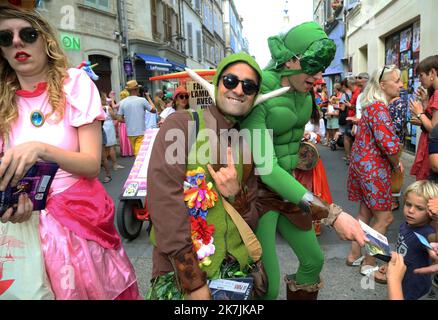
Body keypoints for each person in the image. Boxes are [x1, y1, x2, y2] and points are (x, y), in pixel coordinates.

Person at [0, 5, 139, 299]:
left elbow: (90, 164)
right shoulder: (2, 102)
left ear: (45, 40)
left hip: (77, 226)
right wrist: (8, 208)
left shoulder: (74, 85)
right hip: (23, 232)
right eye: (5, 37)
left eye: (27, 34)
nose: (16, 42)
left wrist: (40, 148)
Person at [240, 21, 367, 300]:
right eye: (312, 65)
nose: (319, 75)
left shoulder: (304, 92)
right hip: (256, 193)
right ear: (290, 60)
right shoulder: (259, 92)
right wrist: (331, 214)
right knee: (267, 285)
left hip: (287, 187)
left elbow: (289, 144)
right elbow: (266, 167)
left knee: (313, 260)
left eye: (322, 66)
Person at [146, 53, 286, 300]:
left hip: (234, 276)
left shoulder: (248, 142)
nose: (239, 90)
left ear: (255, 96)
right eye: (231, 81)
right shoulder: (180, 125)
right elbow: (164, 204)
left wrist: (236, 196)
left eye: (249, 86)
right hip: (182, 277)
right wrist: (194, 283)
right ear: (217, 84)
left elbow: (252, 214)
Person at [346, 65, 403, 283]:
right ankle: (369, 262)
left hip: (362, 167)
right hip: (373, 171)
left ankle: (353, 255)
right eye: (397, 80)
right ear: (382, 85)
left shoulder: (371, 106)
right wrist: (396, 163)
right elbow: (390, 146)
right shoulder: (380, 108)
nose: (400, 85)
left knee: (364, 213)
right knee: (385, 217)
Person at [394, 180, 438, 300]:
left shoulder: (428, 233)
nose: (411, 211)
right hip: (401, 277)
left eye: (419, 208)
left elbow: (436, 240)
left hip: (415, 284)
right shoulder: (405, 225)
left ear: (430, 212)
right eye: (408, 204)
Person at [410, 55, 438, 180]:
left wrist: (420, 113)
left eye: (421, 75)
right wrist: (426, 101)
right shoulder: (434, 93)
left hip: (431, 147)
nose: (420, 80)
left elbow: (434, 129)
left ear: (432, 72)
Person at [117, 79, 156, 156]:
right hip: (140, 131)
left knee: (138, 153)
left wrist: (129, 120)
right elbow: (154, 110)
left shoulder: (122, 102)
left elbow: (119, 119)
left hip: (130, 133)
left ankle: (139, 166)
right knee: (139, 155)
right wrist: (148, 97)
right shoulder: (142, 100)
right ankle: (139, 167)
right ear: (136, 89)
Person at [388, 95, 408, 211]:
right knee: (391, 170)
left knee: (395, 170)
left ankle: (394, 201)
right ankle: (390, 198)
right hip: (388, 142)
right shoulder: (388, 101)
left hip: (395, 142)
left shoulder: (399, 103)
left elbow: (398, 126)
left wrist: (381, 128)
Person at [101, 91, 124, 175]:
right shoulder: (107, 108)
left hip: (102, 126)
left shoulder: (97, 107)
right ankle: (115, 164)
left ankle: (104, 163)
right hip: (109, 126)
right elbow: (114, 117)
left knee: (103, 147)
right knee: (111, 146)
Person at [116, 89, 134, 157]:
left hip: (122, 122)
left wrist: (112, 98)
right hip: (129, 121)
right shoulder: (130, 102)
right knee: (129, 137)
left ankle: (124, 152)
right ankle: (130, 152)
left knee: (123, 138)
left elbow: (114, 106)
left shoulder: (121, 102)